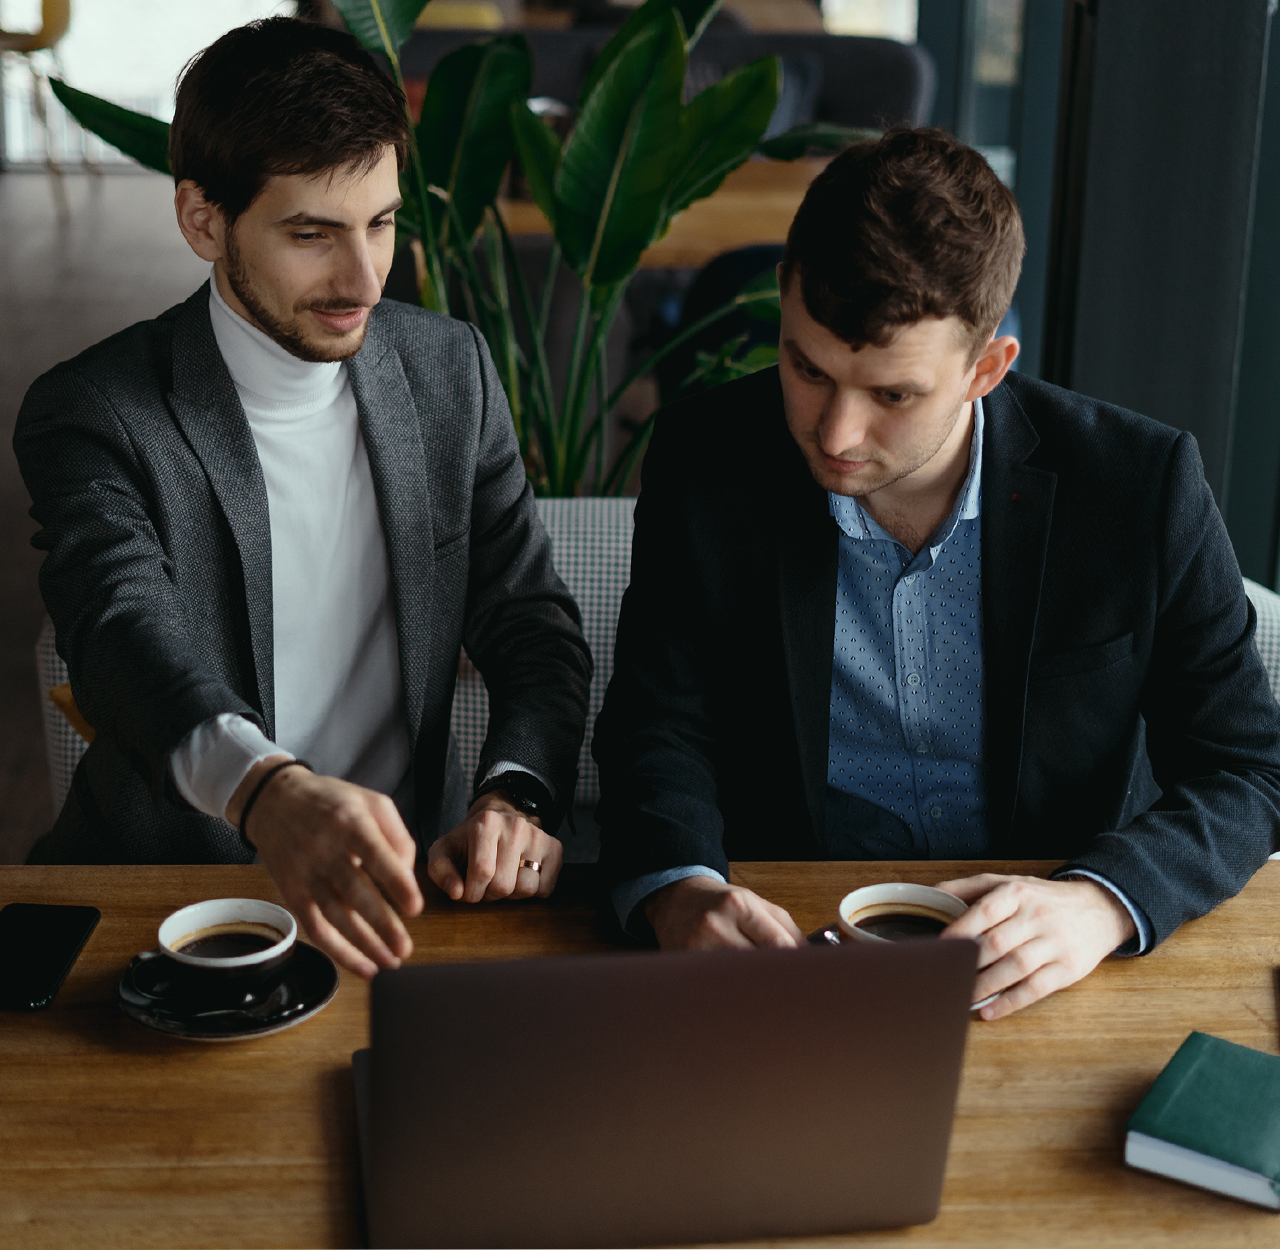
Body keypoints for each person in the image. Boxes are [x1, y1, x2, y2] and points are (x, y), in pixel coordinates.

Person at [593, 127, 1280, 1019]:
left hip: (1055, 965)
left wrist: (1102, 902)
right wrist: (679, 890)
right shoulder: (706, 458)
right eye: (807, 368)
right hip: (789, 952)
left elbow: (1248, 769)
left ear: (986, 370)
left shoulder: (1138, 487)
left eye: (891, 395)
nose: (835, 435)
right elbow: (659, 729)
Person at [14, 18, 592, 979]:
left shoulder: (452, 371)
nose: (365, 279)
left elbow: (530, 623)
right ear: (203, 219)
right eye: (312, 234)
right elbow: (121, 636)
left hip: (416, 895)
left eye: (382, 222)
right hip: (168, 905)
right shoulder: (92, 412)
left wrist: (513, 799)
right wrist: (271, 795)